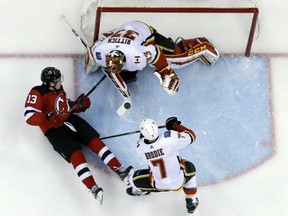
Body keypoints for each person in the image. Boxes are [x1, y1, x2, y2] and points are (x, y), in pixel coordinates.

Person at [24, 67, 133, 204]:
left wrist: (77, 105)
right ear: (50, 83)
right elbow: (29, 116)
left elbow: (63, 105)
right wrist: (47, 119)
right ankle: (92, 187)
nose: (60, 81)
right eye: (57, 80)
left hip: (70, 120)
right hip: (54, 131)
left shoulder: (58, 88)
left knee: (95, 141)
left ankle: (120, 169)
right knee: (76, 156)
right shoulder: (37, 92)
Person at [84, 20, 220, 95]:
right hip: (122, 31)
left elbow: (155, 53)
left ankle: (199, 43)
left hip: (144, 32)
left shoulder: (137, 55)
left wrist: (167, 72)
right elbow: (91, 56)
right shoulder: (100, 52)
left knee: (177, 60)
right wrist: (91, 67)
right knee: (128, 76)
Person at [126, 117, 199, 214]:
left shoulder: (139, 147)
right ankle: (191, 201)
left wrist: (143, 137)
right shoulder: (170, 137)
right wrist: (174, 125)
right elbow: (191, 136)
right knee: (190, 168)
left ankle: (141, 191)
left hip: (158, 185)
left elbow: (146, 146)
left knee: (133, 180)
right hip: (178, 182)